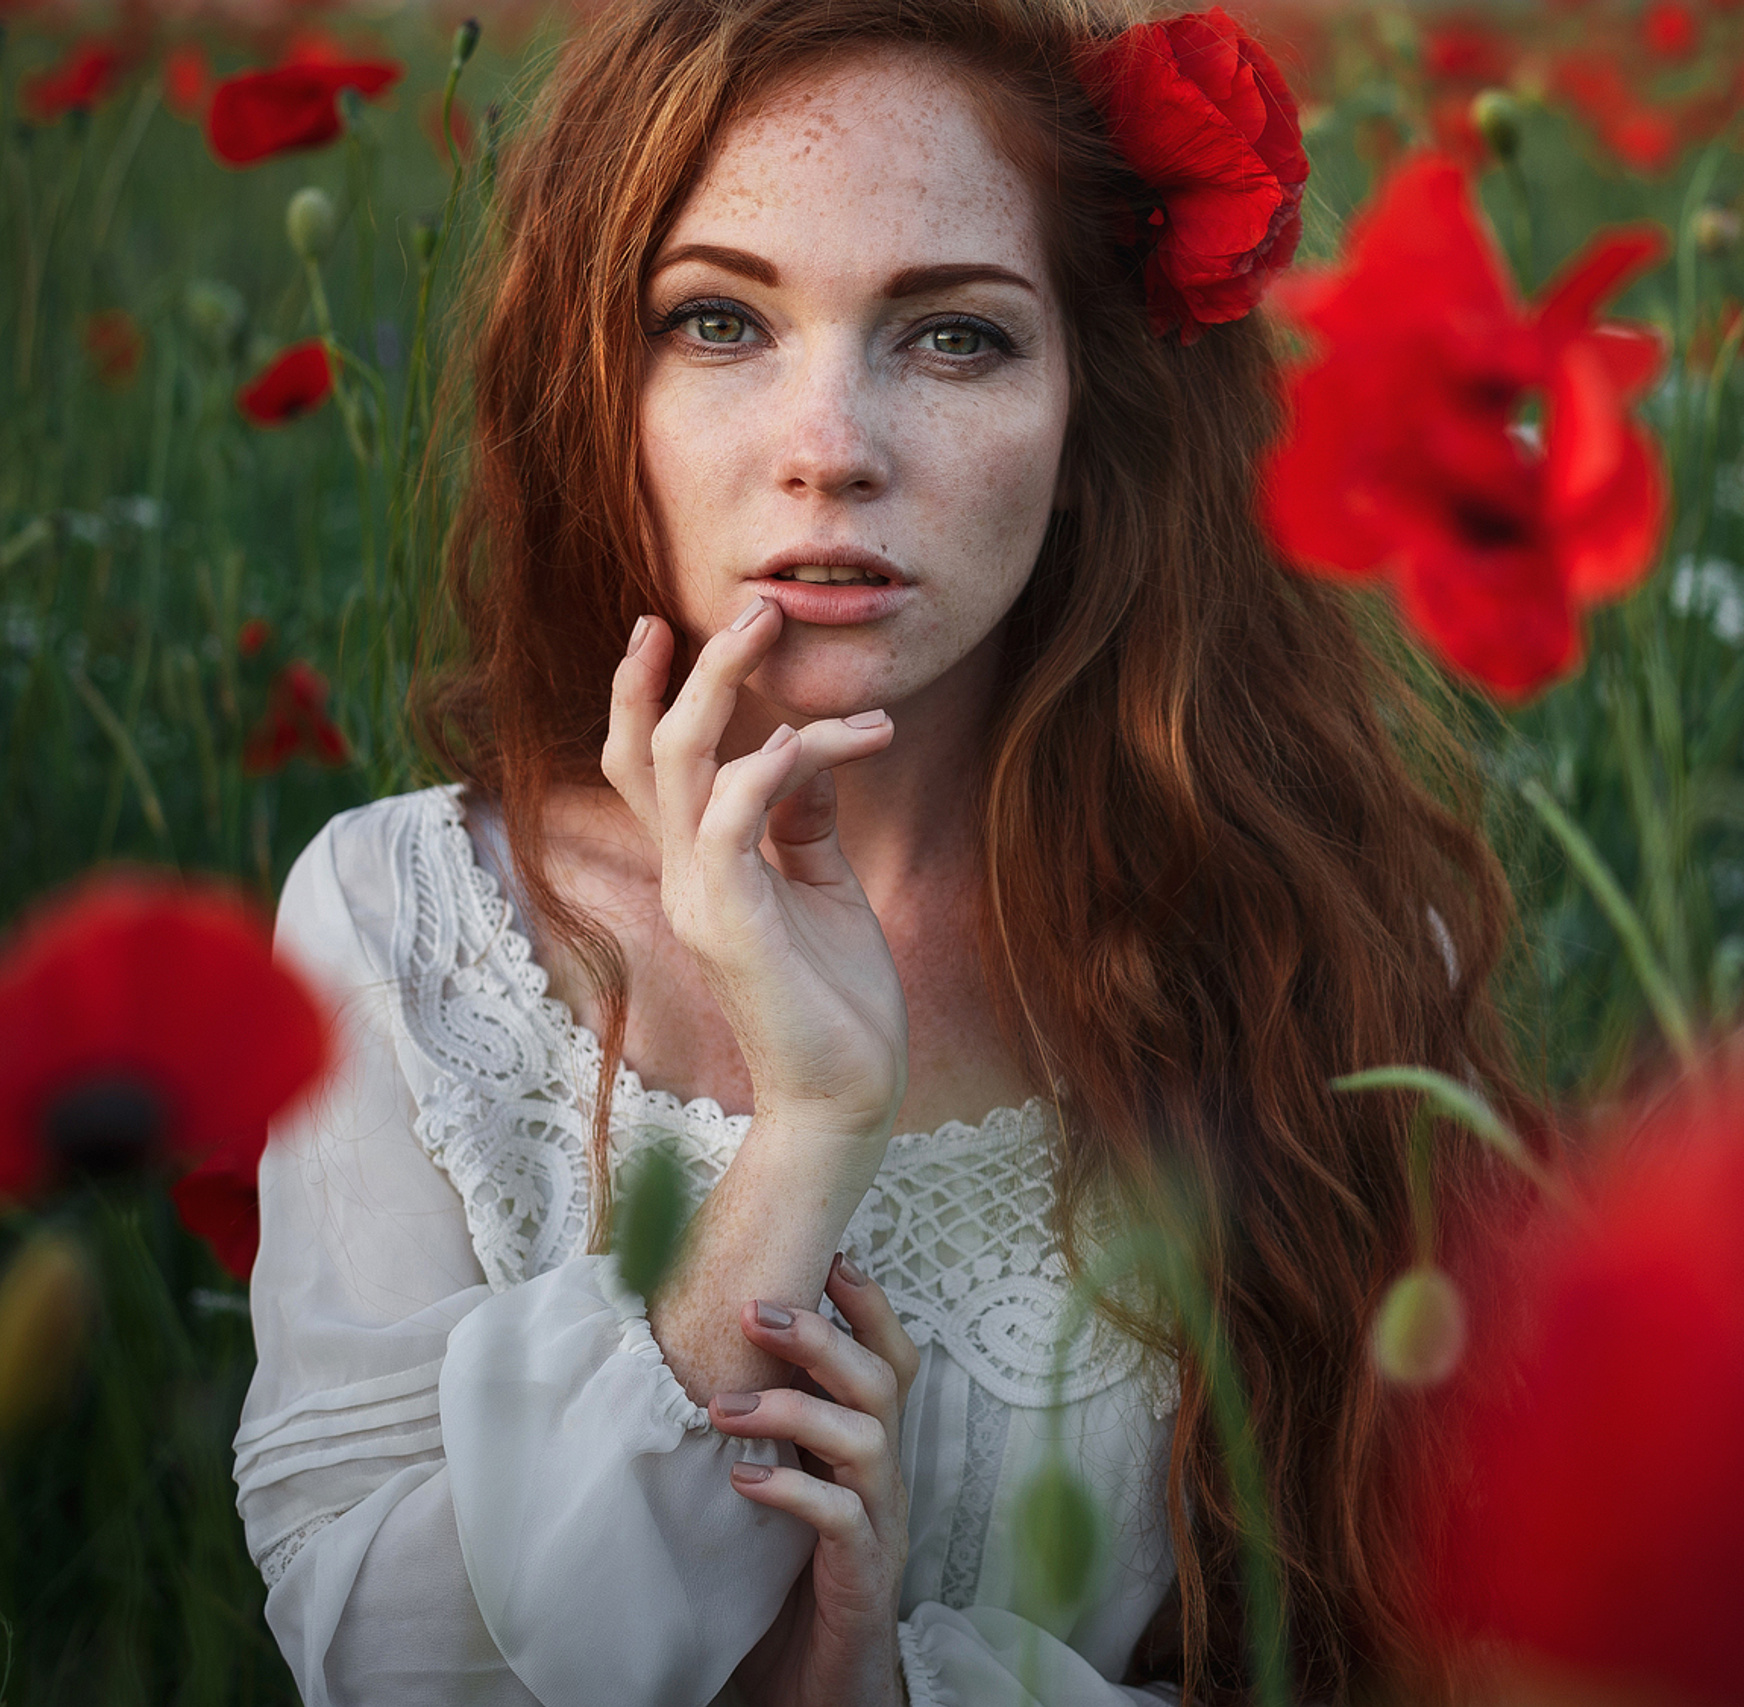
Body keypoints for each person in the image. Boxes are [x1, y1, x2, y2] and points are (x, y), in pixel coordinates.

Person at [231, 0, 1529, 1702]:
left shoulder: (1322, 942)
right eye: (718, 321)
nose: (829, 445)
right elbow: (372, 1658)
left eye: (955, 339)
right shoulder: (402, 927)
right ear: (597, 387)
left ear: (1092, 412)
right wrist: (807, 1134)